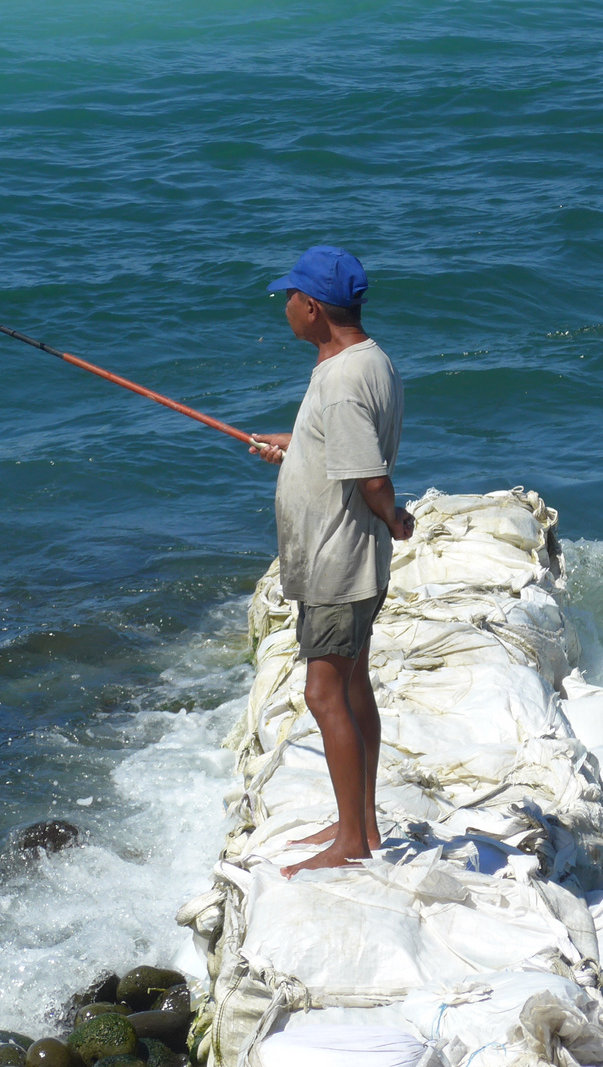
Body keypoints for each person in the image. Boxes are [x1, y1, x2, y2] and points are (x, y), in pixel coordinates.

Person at [249, 245, 415, 878]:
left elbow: (369, 474)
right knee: (350, 684)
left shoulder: (343, 381)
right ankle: (363, 822)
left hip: (336, 561)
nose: (285, 306)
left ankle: (350, 838)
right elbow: (346, 444)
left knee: (324, 693)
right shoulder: (363, 362)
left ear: (312, 307)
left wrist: (394, 517)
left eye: (291, 297)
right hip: (346, 556)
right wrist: (297, 448)